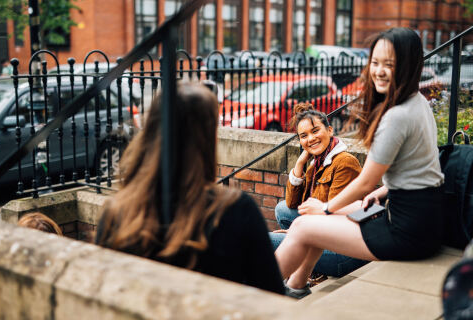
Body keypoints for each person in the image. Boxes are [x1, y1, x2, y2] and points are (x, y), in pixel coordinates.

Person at [275, 27, 445, 299]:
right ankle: (296, 285)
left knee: (303, 225)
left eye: (389, 64)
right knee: (314, 220)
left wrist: (327, 207)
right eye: (375, 62)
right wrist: (380, 192)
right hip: (419, 218)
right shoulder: (418, 103)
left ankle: (257, 295)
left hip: (406, 230)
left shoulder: (397, 116)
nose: (378, 70)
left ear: (409, 65)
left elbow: (365, 180)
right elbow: (422, 169)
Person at [95, 83, 285, 295]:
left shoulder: (116, 212)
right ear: (207, 139)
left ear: (151, 132)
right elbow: (273, 297)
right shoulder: (235, 210)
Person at [269, 103, 367, 283]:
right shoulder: (317, 163)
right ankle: (308, 268)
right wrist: (300, 164)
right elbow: (292, 204)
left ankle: (290, 274)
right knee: (282, 209)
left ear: (330, 130)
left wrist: (293, 234)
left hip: (346, 252)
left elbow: (332, 218)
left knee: (269, 239)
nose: (311, 139)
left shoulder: (344, 162)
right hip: (328, 233)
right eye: (304, 136)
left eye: (315, 131)